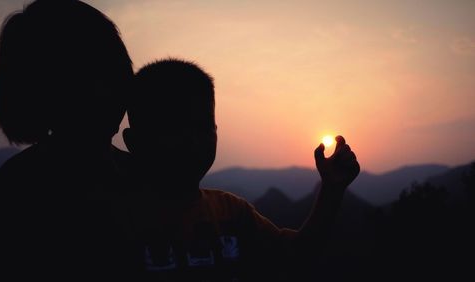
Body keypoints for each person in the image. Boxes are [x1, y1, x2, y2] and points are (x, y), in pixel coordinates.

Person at [122, 58, 360, 281]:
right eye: (174, 128)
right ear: (135, 142)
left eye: (204, 127)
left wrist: (332, 190)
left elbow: (295, 256)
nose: (192, 141)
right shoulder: (115, 220)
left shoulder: (231, 213)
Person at [0, 0, 136, 279]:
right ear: (45, 92)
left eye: (115, 73)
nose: (113, 90)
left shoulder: (140, 174)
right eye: (90, 79)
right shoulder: (18, 192)